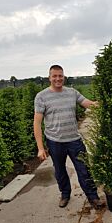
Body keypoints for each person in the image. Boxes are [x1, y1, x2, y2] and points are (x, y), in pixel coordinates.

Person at [33, 64, 102, 209]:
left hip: (74, 140)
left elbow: (87, 103)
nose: (58, 79)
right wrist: (40, 148)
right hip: (55, 141)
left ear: (64, 77)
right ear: (49, 78)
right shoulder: (41, 97)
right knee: (60, 170)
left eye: (60, 76)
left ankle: (93, 197)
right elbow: (37, 122)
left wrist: (104, 103)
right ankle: (65, 194)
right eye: (55, 76)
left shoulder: (72, 92)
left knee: (84, 169)